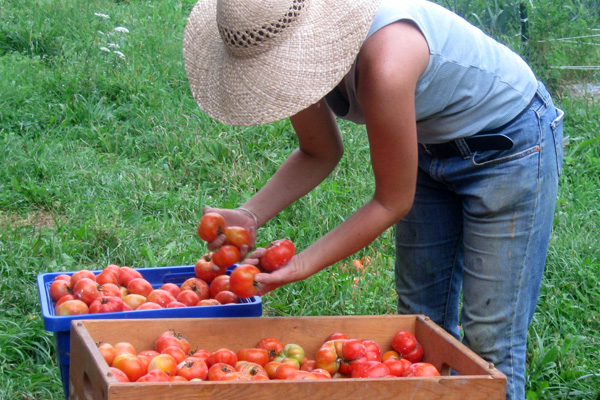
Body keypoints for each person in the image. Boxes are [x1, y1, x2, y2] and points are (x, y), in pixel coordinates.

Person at [182, 0, 564, 398]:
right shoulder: (301, 65)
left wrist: (299, 265)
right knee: (421, 320)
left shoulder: (386, 62)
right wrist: (250, 213)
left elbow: (390, 202)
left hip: (509, 150)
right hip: (428, 147)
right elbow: (319, 151)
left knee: (490, 343)